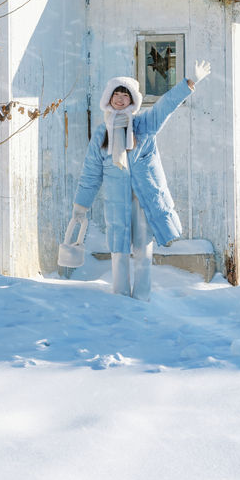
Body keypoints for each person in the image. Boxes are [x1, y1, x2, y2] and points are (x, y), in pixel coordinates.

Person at [71, 60, 211, 300]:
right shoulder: (101, 133)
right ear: (108, 98)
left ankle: (142, 297)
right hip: (117, 200)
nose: (120, 98)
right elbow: (91, 173)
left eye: (126, 95)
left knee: (142, 248)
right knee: (118, 248)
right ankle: (120, 296)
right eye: (117, 93)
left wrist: (189, 83)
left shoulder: (143, 125)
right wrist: (80, 207)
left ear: (132, 101)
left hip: (143, 199)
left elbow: (164, 106)